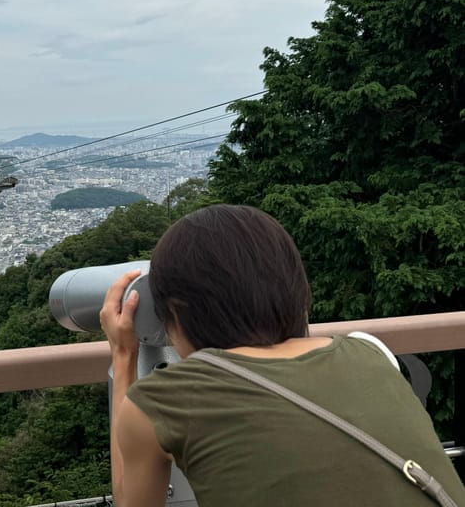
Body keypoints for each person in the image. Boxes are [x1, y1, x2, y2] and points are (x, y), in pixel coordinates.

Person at [100, 204, 465, 507]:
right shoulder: (370, 351)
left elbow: (131, 501)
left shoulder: (161, 401)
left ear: (173, 312)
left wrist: (123, 355)